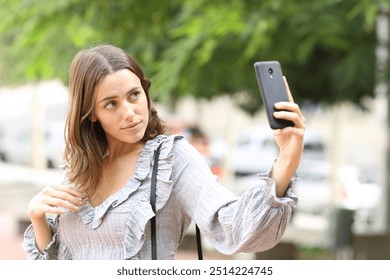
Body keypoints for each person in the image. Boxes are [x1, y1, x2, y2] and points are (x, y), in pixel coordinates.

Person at [22, 44, 305, 260]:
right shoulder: (79, 170)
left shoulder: (171, 158)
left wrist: (286, 161)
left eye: (134, 95)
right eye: (111, 104)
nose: (130, 113)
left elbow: (233, 228)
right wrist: (37, 217)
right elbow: (59, 262)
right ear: (91, 113)